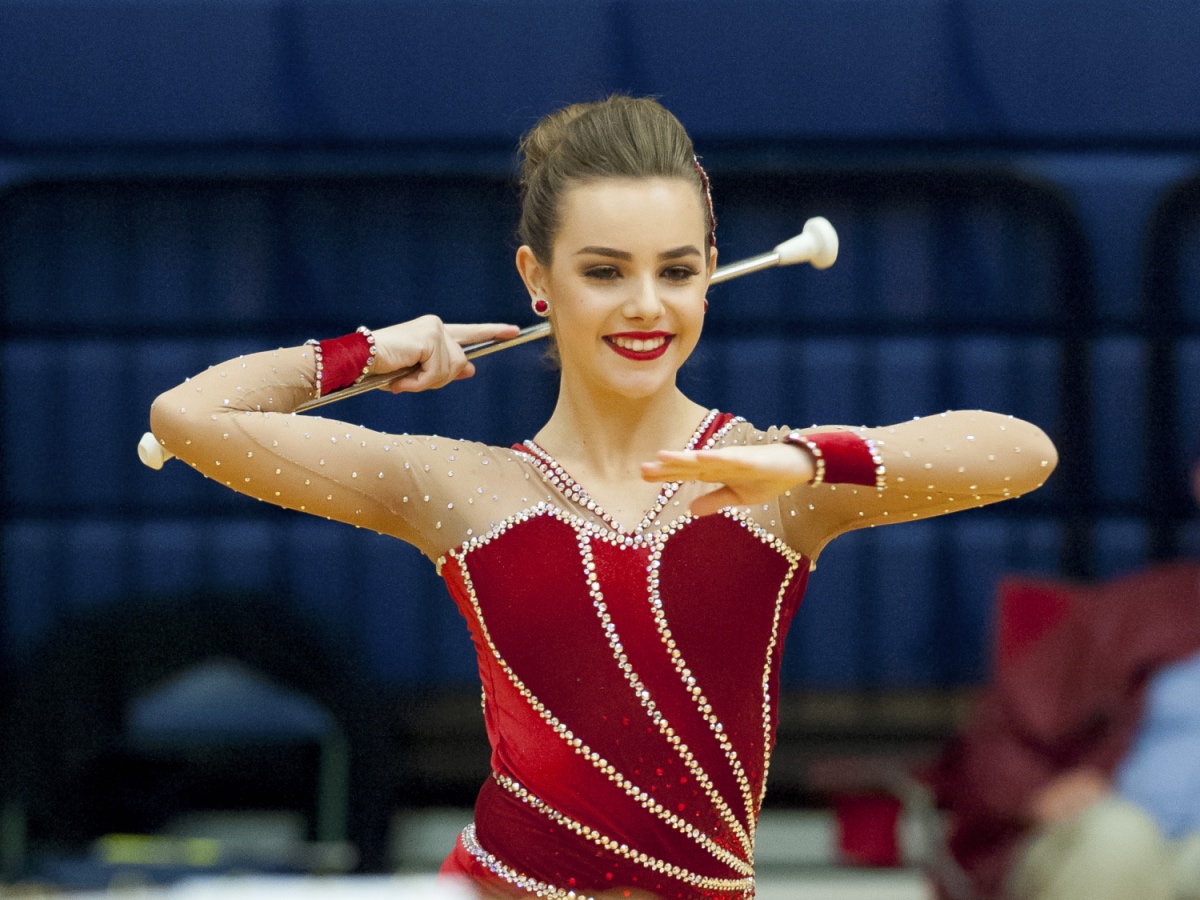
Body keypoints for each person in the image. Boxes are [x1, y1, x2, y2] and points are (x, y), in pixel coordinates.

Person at [148, 95, 1057, 899]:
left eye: (675, 270)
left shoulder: (773, 481)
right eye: (604, 271)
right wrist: (367, 352)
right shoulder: (460, 487)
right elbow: (188, 417)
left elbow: (1024, 451)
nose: (646, 306)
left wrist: (810, 459)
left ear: (710, 268)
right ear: (537, 280)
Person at [934, 479, 1200, 900]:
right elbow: (1003, 735)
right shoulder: (1141, 610)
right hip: (1107, 834)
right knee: (1116, 838)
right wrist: (1034, 793)